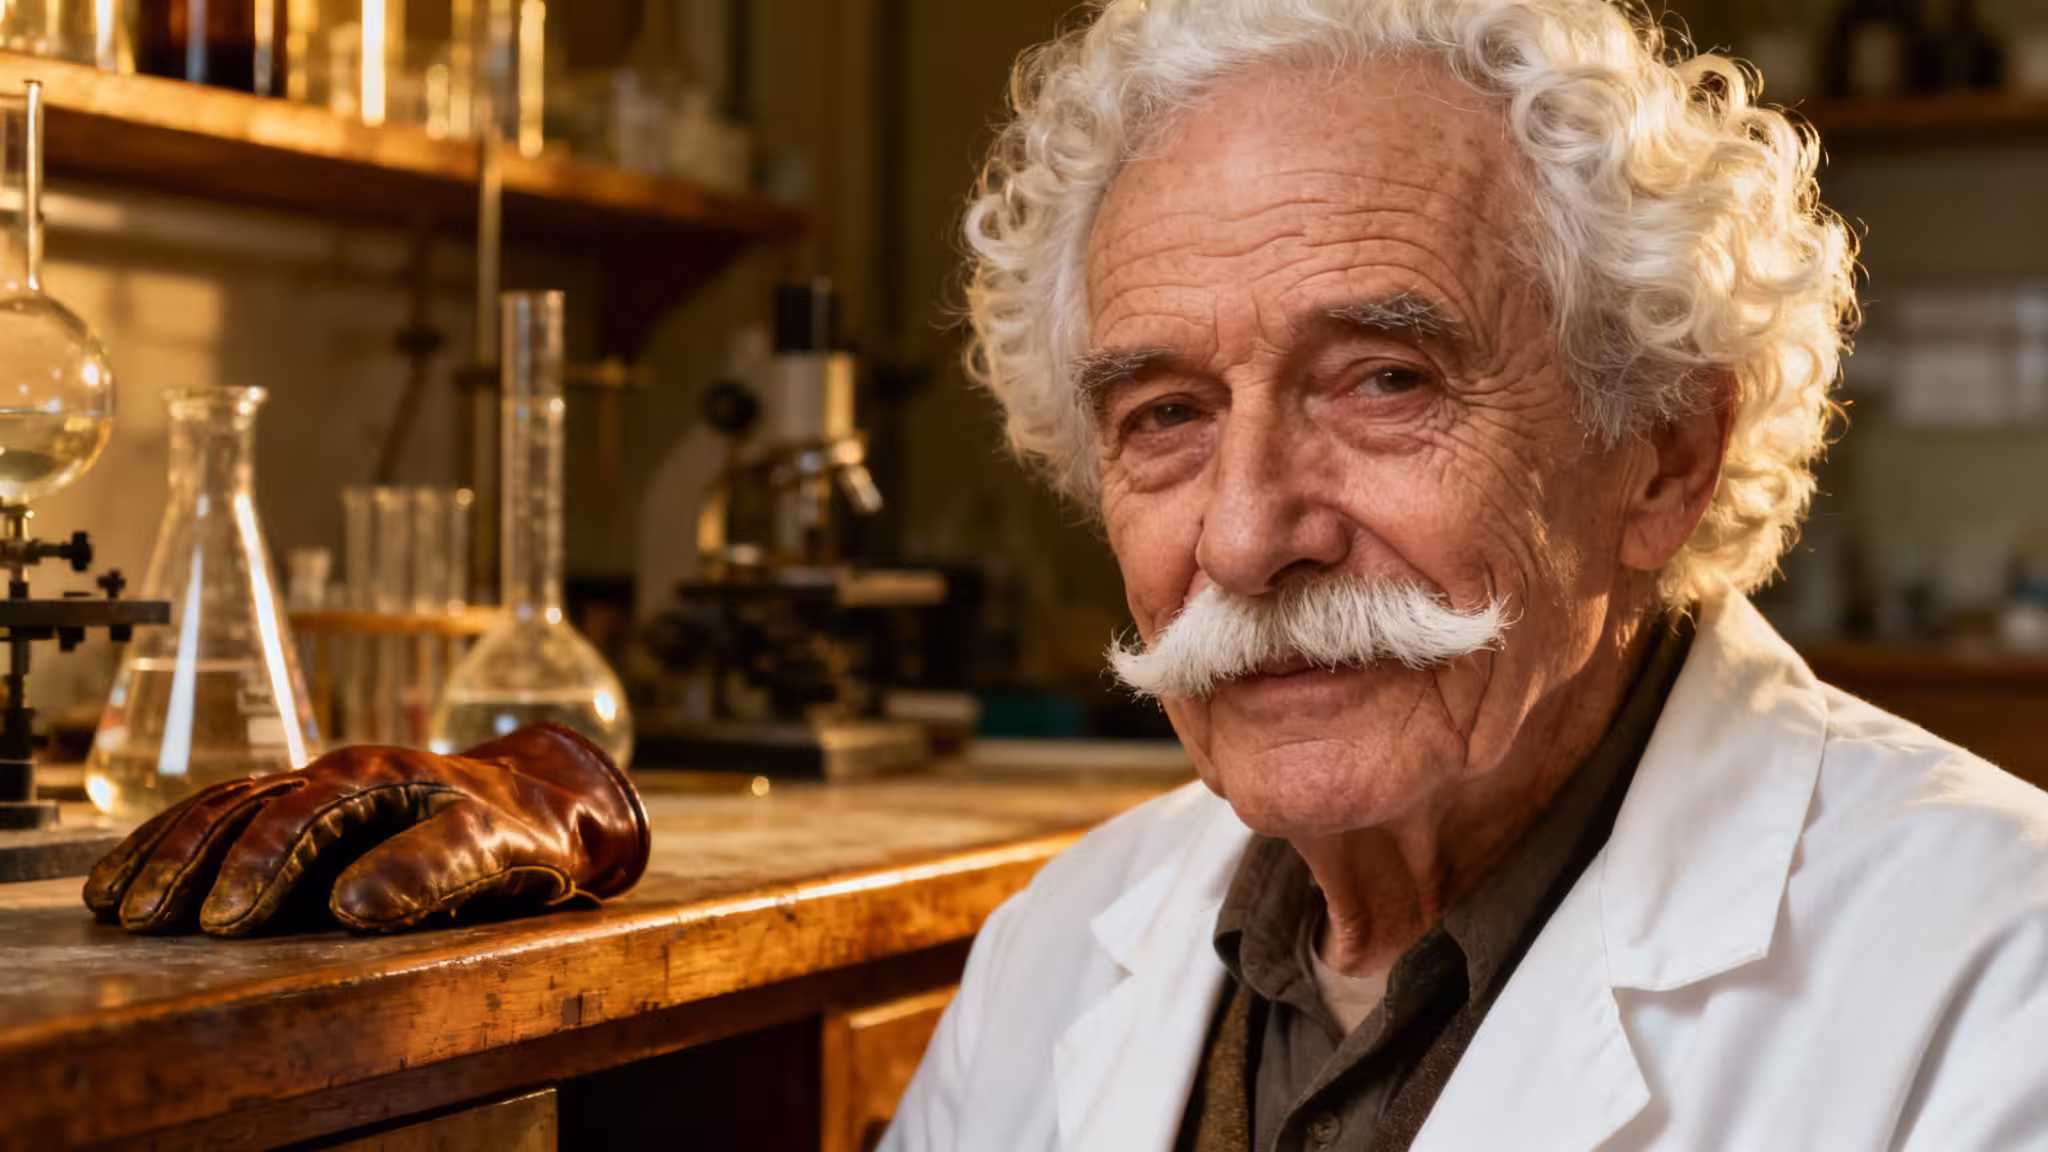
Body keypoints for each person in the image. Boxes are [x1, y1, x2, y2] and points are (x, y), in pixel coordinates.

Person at [881, 2, 2048, 1149]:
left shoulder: (1994, 970)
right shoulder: (1054, 947)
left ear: (1663, 455)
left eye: (1383, 382)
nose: (1242, 539)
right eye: (1166, 414)